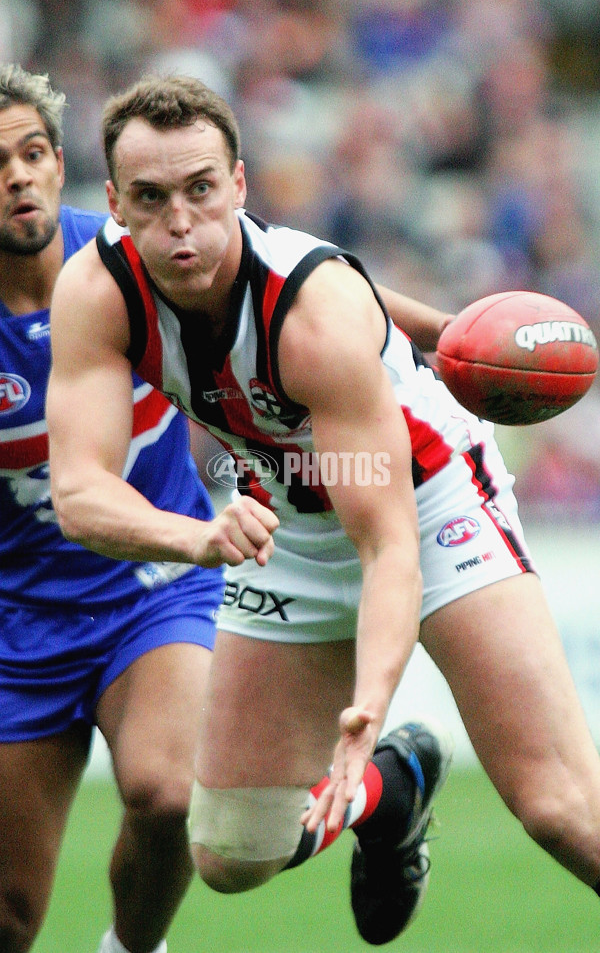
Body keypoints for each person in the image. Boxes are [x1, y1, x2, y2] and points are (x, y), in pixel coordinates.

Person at [45, 73, 600, 944]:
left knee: (563, 811)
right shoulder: (95, 290)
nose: (180, 223)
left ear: (239, 182)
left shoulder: (311, 315)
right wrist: (199, 535)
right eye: (150, 199)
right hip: (291, 523)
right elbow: (77, 495)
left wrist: (367, 706)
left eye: (200, 191)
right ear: (113, 201)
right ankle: (397, 785)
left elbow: (387, 546)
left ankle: (385, 751)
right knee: (232, 851)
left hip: (427, 503)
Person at [0, 62, 284, 953]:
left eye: (32, 152)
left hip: (155, 585)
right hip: (16, 621)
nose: (16, 176)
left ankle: (130, 948)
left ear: (60, 164)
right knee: (9, 915)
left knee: (168, 793)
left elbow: (310, 284)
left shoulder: (136, 252)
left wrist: (440, 334)